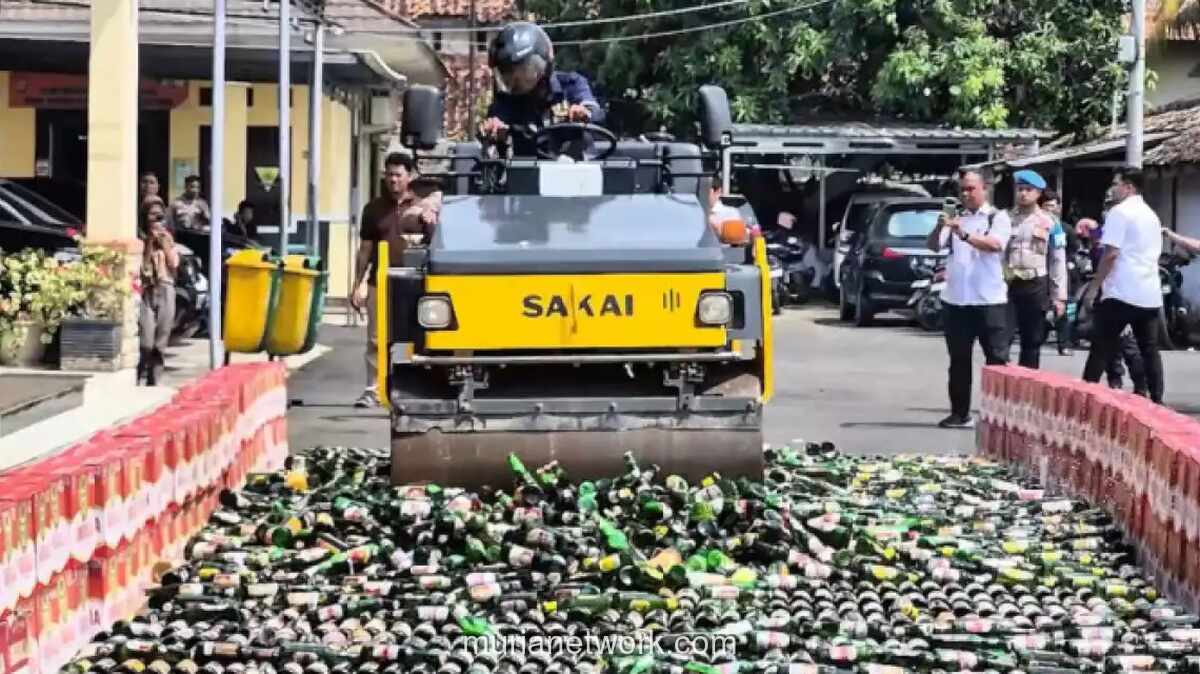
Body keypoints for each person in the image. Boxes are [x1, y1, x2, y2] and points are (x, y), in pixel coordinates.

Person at [348, 152, 443, 408]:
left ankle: (416, 392)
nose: (392, 180)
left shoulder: (423, 207)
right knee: (376, 340)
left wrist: (429, 220)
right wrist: (357, 284)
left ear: (409, 177)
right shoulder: (374, 209)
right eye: (388, 174)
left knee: (418, 338)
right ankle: (372, 391)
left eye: (397, 175)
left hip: (416, 285)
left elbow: (437, 242)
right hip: (380, 282)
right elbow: (366, 249)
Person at [926, 170, 1012, 429]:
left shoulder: (998, 217)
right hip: (957, 300)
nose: (965, 194)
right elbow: (933, 246)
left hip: (989, 300)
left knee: (996, 360)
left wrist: (961, 233)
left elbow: (995, 245)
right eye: (962, 189)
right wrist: (941, 226)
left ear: (984, 188)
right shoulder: (956, 218)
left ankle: (1001, 416)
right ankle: (959, 413)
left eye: (971, 189)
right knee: (959, 361)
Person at [1081, 168, 1165, 403]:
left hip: (1121, 291)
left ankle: (1086, 397)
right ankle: (1157, 400)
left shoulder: (1120, 212)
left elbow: (1111, 254)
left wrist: (1094, 287)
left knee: (1101, 346)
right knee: (1149, 349)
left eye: (1116, 183)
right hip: (1148, 292)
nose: (1112, 188)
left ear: (1129, 187)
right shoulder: (1151, 215)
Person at [479, 22, 605, 157]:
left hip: (577, 172)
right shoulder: (505, 102)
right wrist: (495, 133)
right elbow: (495, 128)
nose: (517, 81)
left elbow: (595, 112)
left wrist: (584, 113)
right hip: (527, 175)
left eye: (525, 71)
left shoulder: (571, 84)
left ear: (543, 65)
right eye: (509, 75)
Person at [1002, 170, 1067, 369]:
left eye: (1028, 190)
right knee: (1000, 340)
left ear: (1038, 193)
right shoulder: (1003, 218)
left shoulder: (1051, 223)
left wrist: (1059, 296)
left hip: (1036, 284)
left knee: (1032, 341)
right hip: (1008, 284)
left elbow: (1058, 260)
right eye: (1019, 189)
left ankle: (1026, 387)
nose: (1022, 194)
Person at [138, 197, 179, 386]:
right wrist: (148, 244)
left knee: (160, 340)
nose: (156, 220)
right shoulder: (140, 238)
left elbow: (174, 263)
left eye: (159, 216)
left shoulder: (167, 237)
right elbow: (144, 269)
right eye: (152, 215)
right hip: (147, 291)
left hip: (165, 287)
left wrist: (163, 242)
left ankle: (154, 378)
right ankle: (141, 372)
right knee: (146, 341)